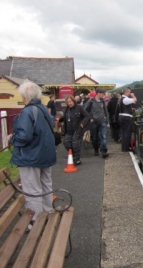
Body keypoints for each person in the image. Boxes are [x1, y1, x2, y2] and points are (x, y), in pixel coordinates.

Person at [7, 80, 56, 223]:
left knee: (32, 189)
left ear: (24, 96)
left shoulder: (28, 111)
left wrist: (12, 138)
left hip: (31, 156)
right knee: (46, 184)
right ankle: (47, 213)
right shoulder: (42, 108)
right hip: (45, 154)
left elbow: (24, 136)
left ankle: (36, 221)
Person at [62, 95, 90, 165]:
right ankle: (73, 155)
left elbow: (87, 116)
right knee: (66, 143)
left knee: (75, 144)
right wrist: (59, 120)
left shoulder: (79, 107)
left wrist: (82, 124)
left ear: (73, 101)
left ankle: (77, 159)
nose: (69, 103)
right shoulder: (67, 109)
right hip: (68, 130)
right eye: (67, 102)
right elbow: (64, 117)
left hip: (77, 129)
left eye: (70, 101)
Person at [85, 88, 109, 158]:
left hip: (102, 121)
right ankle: (96, 149)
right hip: (94, 122)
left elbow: (106, 111)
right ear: (98, 93)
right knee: (95, 137)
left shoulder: (103, 101)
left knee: (103, 136)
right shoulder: (91, 101)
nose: (104, 95)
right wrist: (90, 118)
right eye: (103, 94)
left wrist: (107, 120)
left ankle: (103, 151)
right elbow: (85, 110)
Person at [118, 87, 137, 152]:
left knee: (123, 133)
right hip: (126, 117)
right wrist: (133, 96)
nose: (130, 93)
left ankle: (123, 147)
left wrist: (131, 109)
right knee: (127, 133)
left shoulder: (121, 99)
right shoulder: (125, 99)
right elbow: (135, 100)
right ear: (126, 92)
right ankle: (126, 147)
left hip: (121, 116)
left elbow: (124, 107)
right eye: (129, 92)